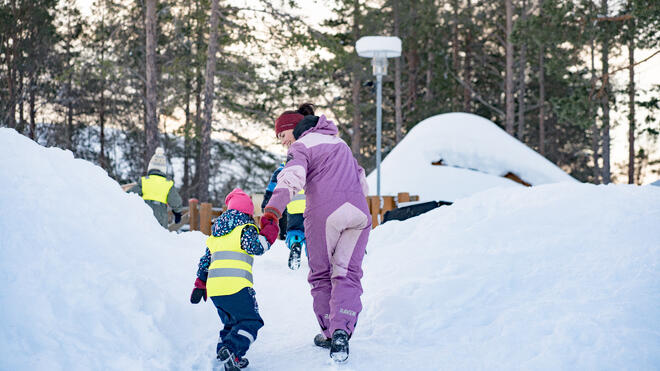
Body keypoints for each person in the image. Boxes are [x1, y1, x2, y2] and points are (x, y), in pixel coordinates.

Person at [258, 103, 371, 363]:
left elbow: (291, 177)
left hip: (324, 214)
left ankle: (330, 332)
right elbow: (361, 180)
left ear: (292, 129)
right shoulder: (340, 143)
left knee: (321, 274)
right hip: (359, 214)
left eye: (282, 136)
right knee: (347, 273)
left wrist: (273, 211)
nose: (283, 142)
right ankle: (342, 330)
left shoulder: (301, 146)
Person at [190, 188, 270, 371]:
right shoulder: (245, 229)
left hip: (216, 291)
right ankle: (232, 351)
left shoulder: (216, 235)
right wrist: (269, 230)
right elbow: (257, 247)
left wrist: (199, 285)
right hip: (237, 287)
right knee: (251, 321)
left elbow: (205, 262)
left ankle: (224, 352)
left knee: (231, 323)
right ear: (248, 213)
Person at [262, 162, 308, 270]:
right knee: (313, 235)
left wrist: (266, 205)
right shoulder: (310, 167)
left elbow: (272, 190)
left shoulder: (282, 170)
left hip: (294, 207)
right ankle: (314, 259)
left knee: (295, 230)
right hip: (311, 207)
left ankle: (295, 243)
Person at [127, 148, 183, 228]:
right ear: (164, 169)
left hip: (145, 210)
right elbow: (175, 201)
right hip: (160, 214)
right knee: (160, 235)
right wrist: (177, 213)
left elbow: (130, 194)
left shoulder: (144, 181)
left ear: (150, 167)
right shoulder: (168, 184)